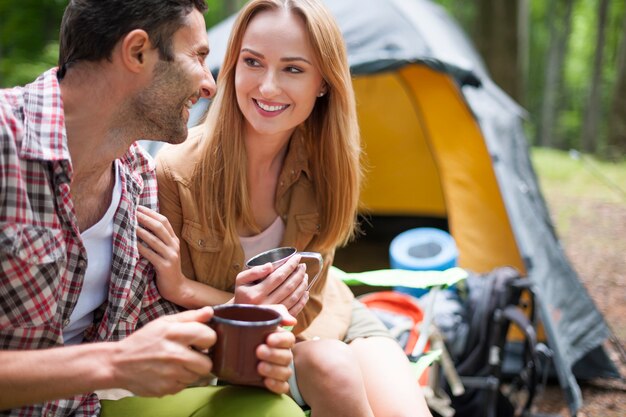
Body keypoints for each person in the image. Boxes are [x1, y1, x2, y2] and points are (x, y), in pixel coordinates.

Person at [0, 1, 302, 416]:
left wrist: (243, 327)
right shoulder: (5, 142)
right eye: (198, 56)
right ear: (138, 51)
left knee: (271, 409)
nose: (210, 84)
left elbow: (146, 330)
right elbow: (121, 360)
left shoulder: (137, 177)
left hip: (86, 409)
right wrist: (110, 364)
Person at [138, 0, 432, 415]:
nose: (268, 87)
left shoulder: (326, 168)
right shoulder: (176, 173)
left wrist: (186, 288)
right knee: (333, 368)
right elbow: (165, 324)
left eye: (293, 69)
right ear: (232, 66)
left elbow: (308, 307)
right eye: (253, 62)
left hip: (332, 317)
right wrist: (221, 304)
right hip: (244, 352)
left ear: (323, 83)